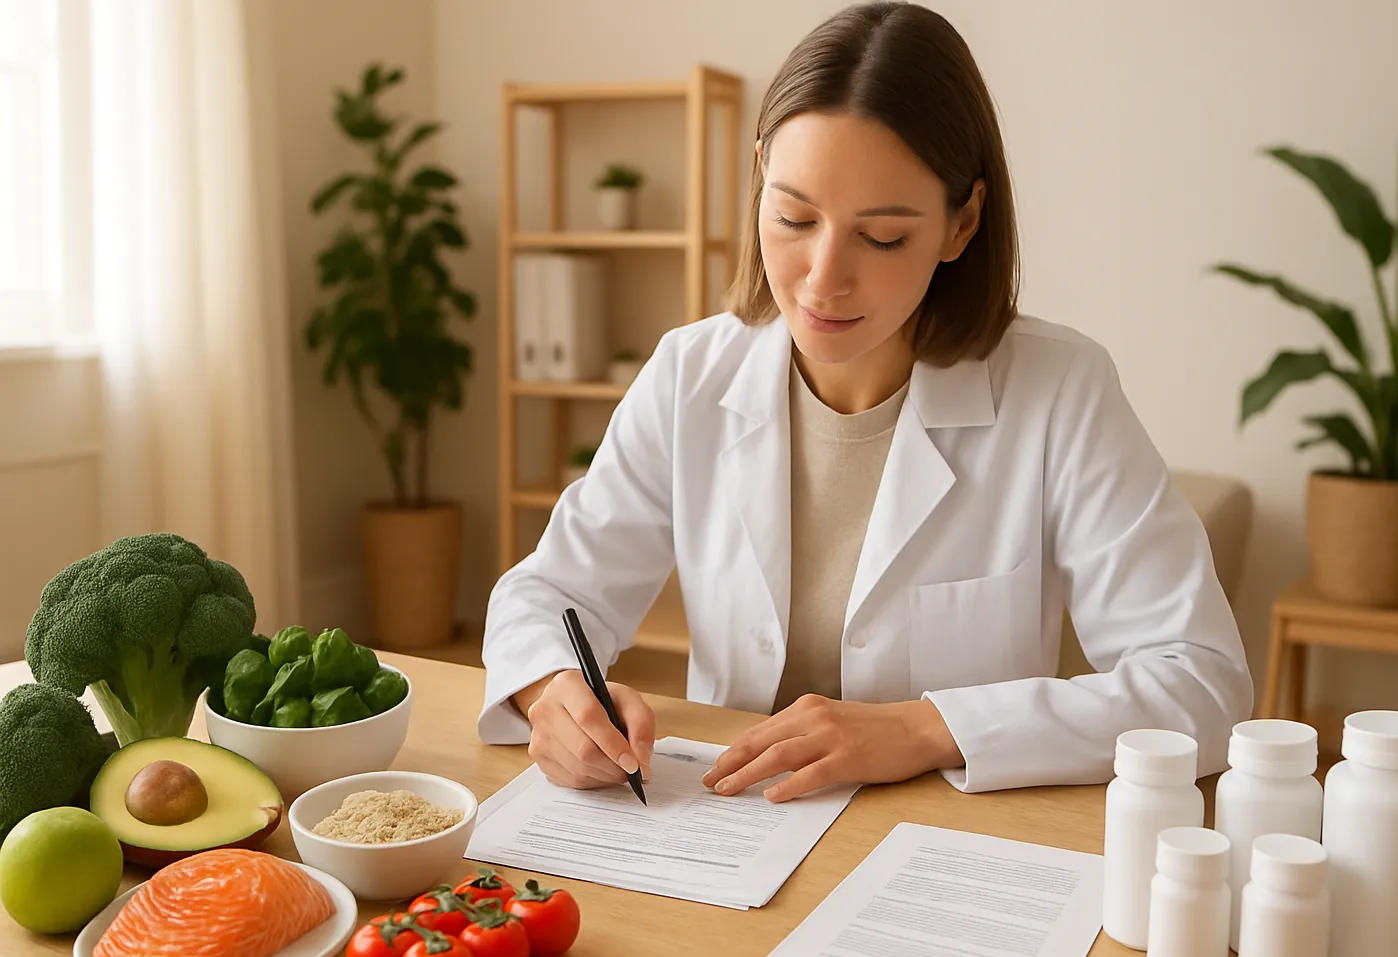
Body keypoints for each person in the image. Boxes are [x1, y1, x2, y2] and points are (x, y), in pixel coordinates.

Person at [479, 0, 1251, 802]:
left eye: (882, 237)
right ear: (758, 184)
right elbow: (550, 594)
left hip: (944, 846)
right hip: (730, 824)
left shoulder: (1060, 390)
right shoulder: (691, 374)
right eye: (793, 217)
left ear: (963, 223)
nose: (821, 278)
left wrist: (922, 728)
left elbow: (1202, 684)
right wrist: (551, 695)